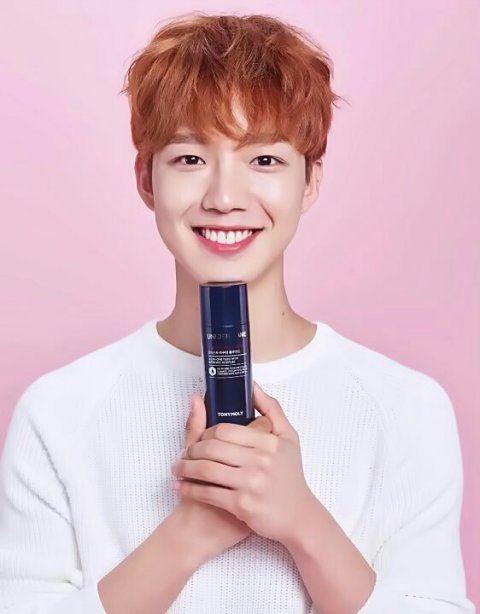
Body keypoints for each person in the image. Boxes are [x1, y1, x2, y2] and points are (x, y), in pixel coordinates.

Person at [0, 11, 475, 614]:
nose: (224, 198)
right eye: (190, 159)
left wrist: (304, 523)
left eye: (265, 160)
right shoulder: (59, 411)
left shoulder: (407, 409)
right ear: (146, 180)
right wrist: (187, 536)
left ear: (310, 182)